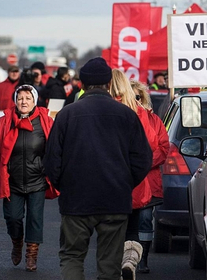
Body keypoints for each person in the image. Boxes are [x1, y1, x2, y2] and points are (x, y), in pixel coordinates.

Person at [44, 58, 152, 280]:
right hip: (115, 199)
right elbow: (143, 159)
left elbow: (51, 160)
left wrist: (63, 185)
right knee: (109, 264)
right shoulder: (127, 115)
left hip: (76, 200)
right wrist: (124, 183)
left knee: (72, 256)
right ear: (108, 83)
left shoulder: (66, 114)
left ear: (82, 84)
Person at [0, 85, 56, 272]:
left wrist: (58, 171)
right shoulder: (5, 122)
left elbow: (56, 150)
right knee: (13, 218)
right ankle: (17, 242)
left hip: (37, 180)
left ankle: (32, 255)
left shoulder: (46, 121)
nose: (24, 101)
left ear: (35, 101)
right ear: (15, 100)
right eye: (20, 98)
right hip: (12, 181)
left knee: (35, 219)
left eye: (28, 98)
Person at [108, 70, 155, 279]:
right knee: (133, 228)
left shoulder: (105, 110)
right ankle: (130, 261)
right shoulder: (140, 112)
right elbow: (151, 145)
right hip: (135, 180)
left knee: (111, 231)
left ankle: (114, 267)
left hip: (108, 180)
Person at [130, 80, 169, 274]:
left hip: (148, 179)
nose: (135, 101)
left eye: (138, 97)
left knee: (145, 219)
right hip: (126, 180)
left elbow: (163, 148)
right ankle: (126, 257)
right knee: (126, 221)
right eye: (131, 97)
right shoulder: (123, 118)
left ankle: (142, 259)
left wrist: (142, 161)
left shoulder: (154, 121)